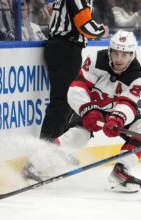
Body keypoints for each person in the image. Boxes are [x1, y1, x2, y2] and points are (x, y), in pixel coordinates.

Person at [23, 30, 141, 193]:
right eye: (116, 53)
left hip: (116, 111)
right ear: (110, 51)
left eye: (125, 55)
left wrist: (117, 119)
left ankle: (121, 172)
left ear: (132, 55)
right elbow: (77, 88)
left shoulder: (138, 75)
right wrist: (88, 110)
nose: (119, 59)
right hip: (90, 107)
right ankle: (33, 166)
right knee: (78, 137)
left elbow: (128, 103)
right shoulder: (97, 59)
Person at [40, 0, 109, 142]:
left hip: (64, 47)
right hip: (66, 47)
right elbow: (84, 24)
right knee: (62, 101)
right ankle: (45, 152)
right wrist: (101, 30)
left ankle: (56, 149)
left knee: (66, 101)